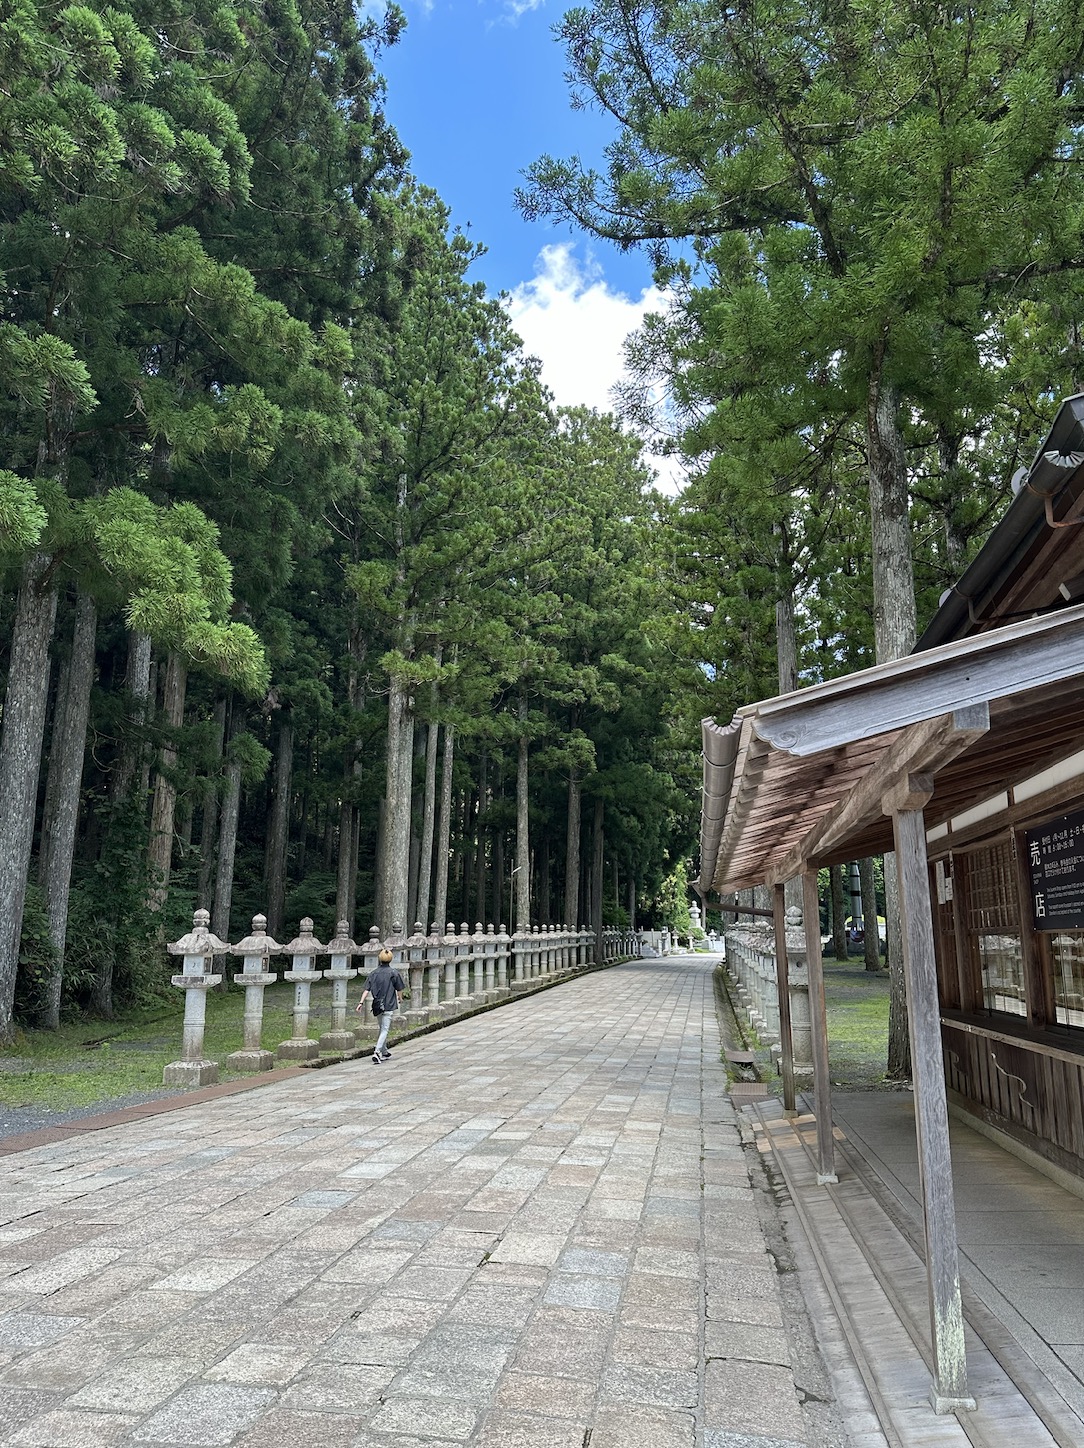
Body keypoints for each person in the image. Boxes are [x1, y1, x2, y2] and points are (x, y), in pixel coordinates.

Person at [356, 947, 404, 1064]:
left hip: (377, 1004)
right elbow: (399, 988)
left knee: (382, 1027)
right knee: (385, 1029)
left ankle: (385, 1051)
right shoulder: (394, 973)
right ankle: (377, 1052)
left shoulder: (374, 973)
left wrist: (361, 1002)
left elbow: (366, 990)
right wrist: (400, 998)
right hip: (389, 1003)